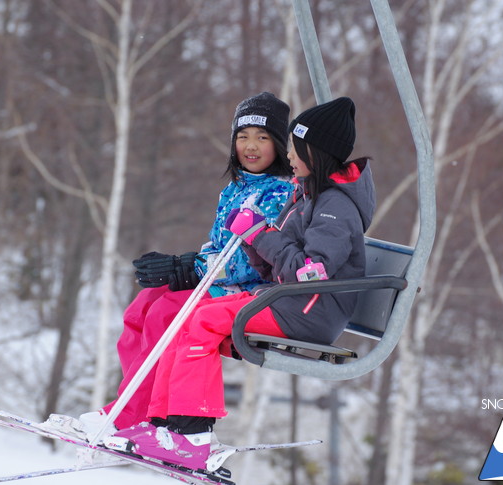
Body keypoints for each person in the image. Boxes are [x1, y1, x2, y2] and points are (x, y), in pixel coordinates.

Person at [104, 97, 376, 470]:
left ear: (316, 153)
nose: (290, 157)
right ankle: (164, 425)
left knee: (198, 320)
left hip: (308, 310)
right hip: (287, 300)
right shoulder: (308, 196)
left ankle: (190, 435)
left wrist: (260, 234)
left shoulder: (334, 207)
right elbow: (282, 263)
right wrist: (253, 244)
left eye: (295, 149)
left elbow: (309, 273)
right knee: (189, 316)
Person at [41, 92, 294, 438]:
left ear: (279, 145)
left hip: (248, 292)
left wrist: (193, 269)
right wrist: (184, 266)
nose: (250, 146)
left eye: (262, 138)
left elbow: (254, 262)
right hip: (220, 281)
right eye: (242, 136)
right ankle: (134, 405)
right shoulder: (235, 189)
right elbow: (218, 246)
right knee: (144, 306)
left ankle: (138, 415)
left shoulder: (280, 194)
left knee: (166, 312)